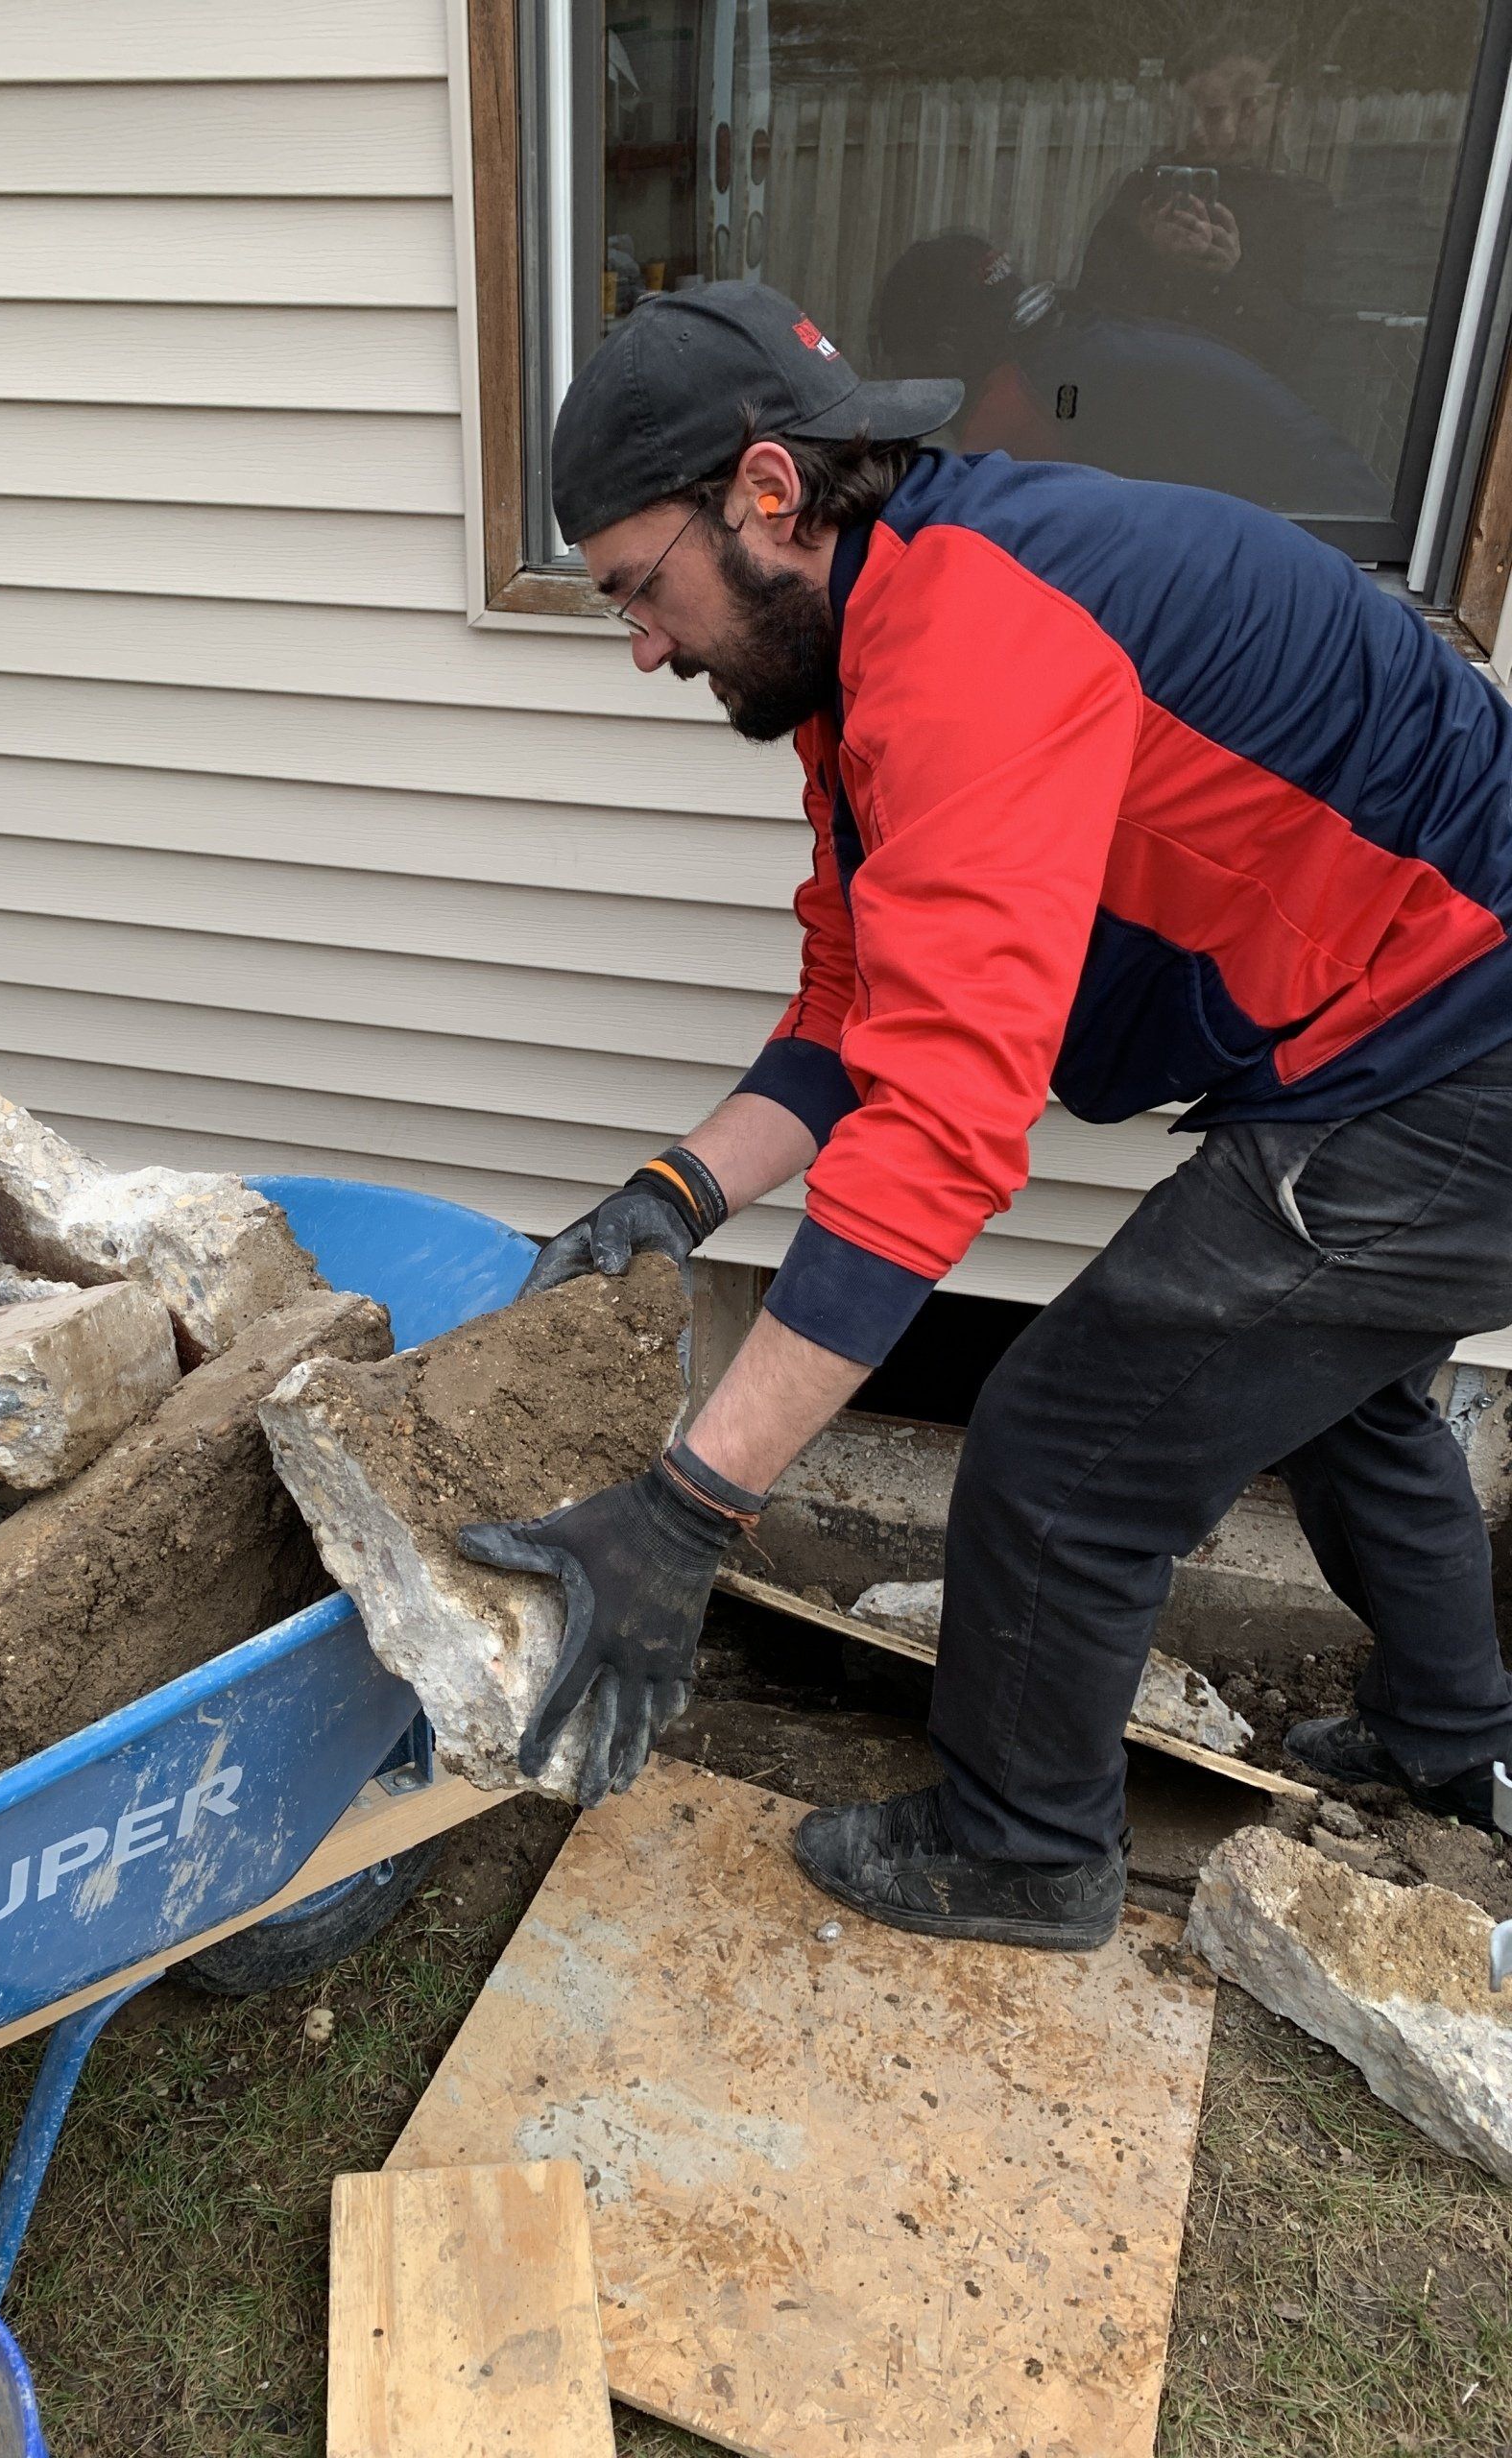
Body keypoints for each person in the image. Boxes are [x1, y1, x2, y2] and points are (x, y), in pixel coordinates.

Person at [456, 279, 1512, 1954]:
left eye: (641, 590)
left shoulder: (973, 642)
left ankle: (1026, 1851)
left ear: (769, 493)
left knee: (1065, 1450)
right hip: (1405, 1014)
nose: (645, 645)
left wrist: (689, 1509)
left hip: (1461, 1050)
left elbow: (947, 1120)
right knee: (1331, 1379)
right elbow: (857, 993)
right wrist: (678, 1192)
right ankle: (1456, 1742)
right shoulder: (867, 642)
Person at [873, 230, 1386, 518]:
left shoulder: (1026, 390)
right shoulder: (1086, 339)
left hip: (1335, 541)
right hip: (1347, 525)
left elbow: (967, 530)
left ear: (946, 349)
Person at [1075, 40, 1332, 386]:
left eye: (1217, 112)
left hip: (1243, 408)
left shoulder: (1300, 204)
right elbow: (1088, 318)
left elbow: (1310, 347)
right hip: (1141, 393)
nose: (1195, 130)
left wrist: (1235, 274)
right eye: (1185, 112)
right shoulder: (1143, 190)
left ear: (1281, 104)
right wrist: (1148, 255)